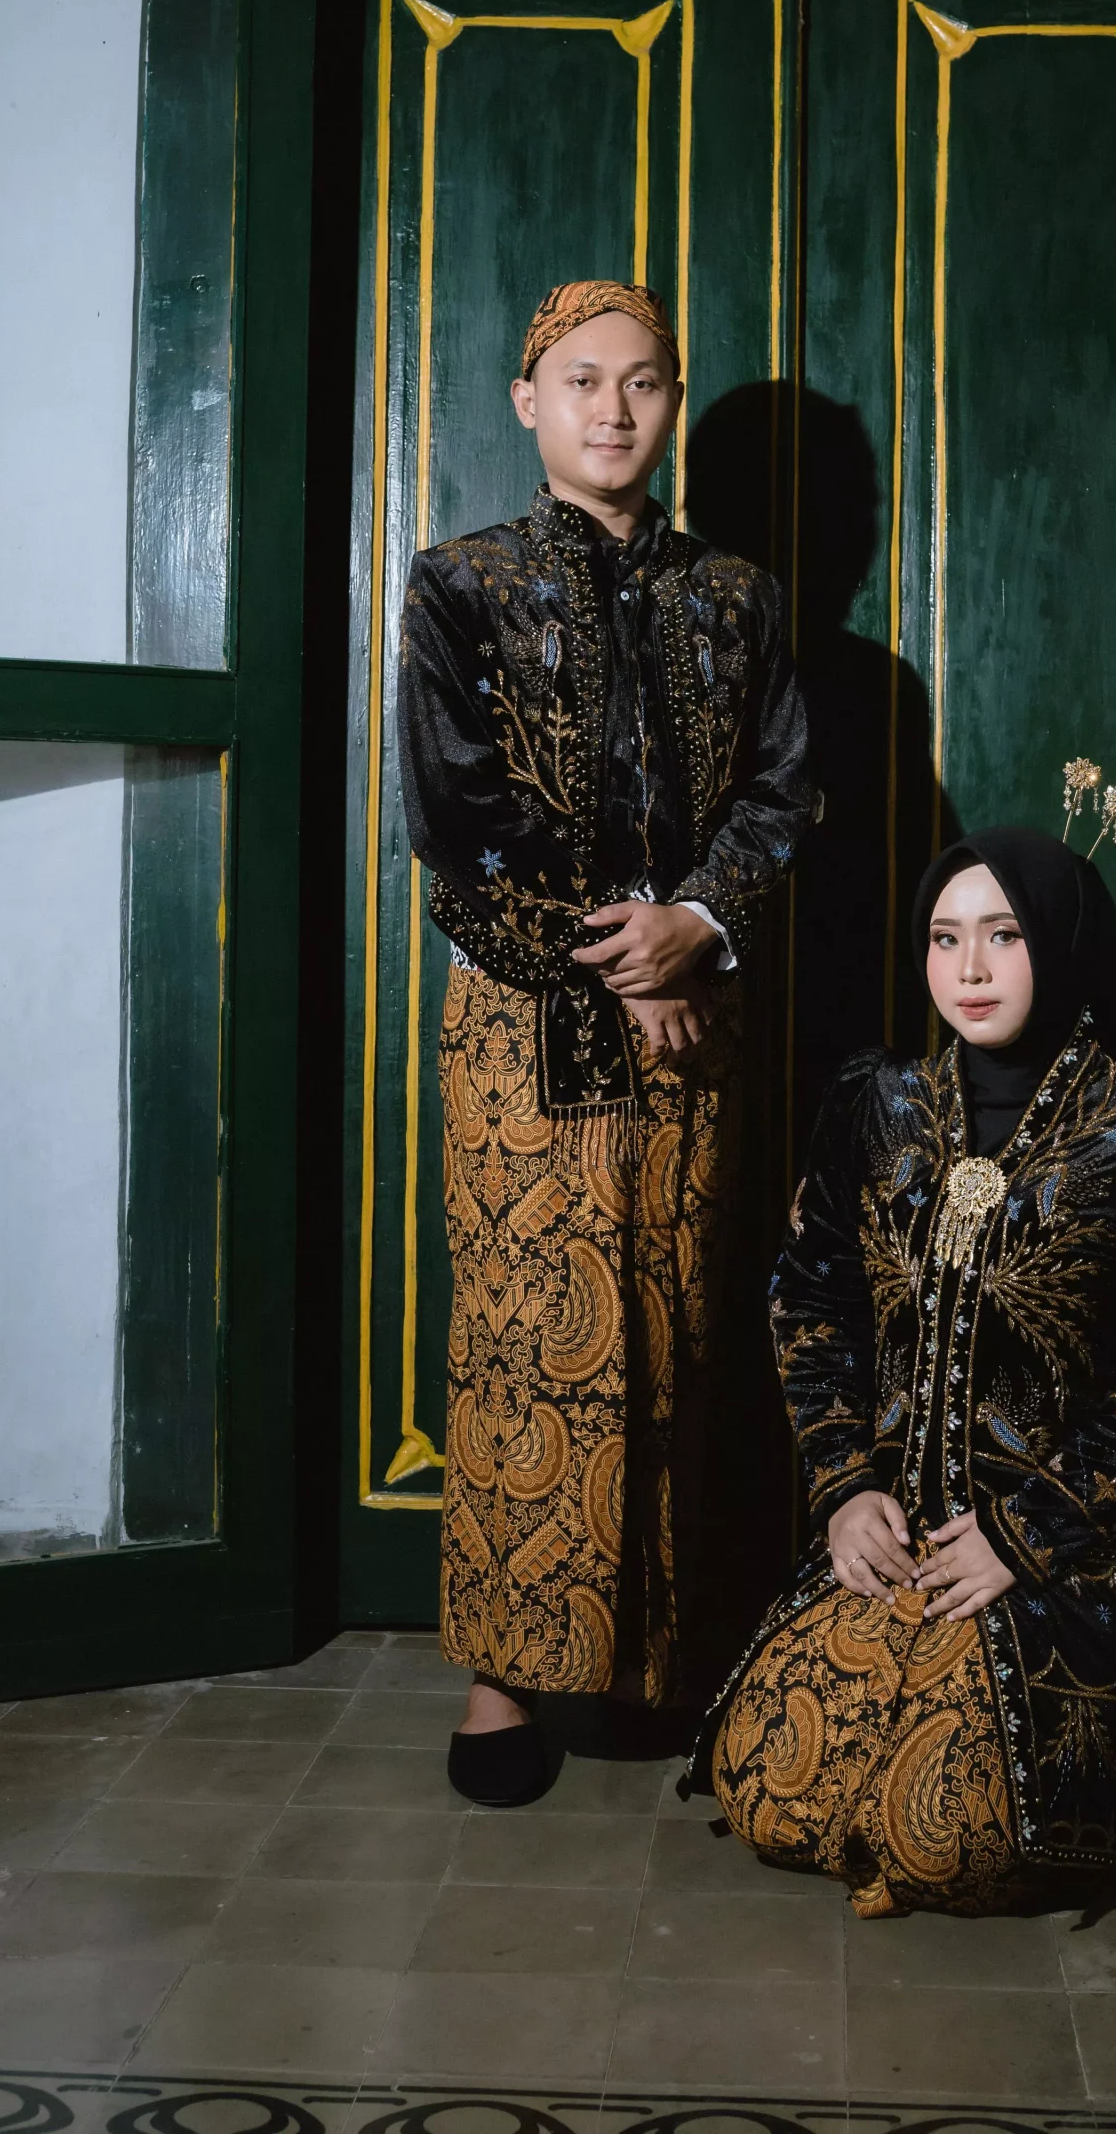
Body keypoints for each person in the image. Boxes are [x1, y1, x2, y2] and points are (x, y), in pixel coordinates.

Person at [397, 279, 814, 1808]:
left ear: (670, 403)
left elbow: (780, 793)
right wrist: (621, 967)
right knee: (525, 1343)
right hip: (525, 1029)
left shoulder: (739, 599)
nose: (613, 409)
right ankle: (502, 1677)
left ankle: (652, 1653)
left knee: (673, 1323)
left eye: (642, 381)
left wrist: (694, 923)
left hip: (693, 1021)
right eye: (581, 379)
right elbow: (457, 819)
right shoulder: (459, 585)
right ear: (529, 400)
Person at [692, 825, 1116, 1914]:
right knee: (772, 1796)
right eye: (945, 939)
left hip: (1064, 1560)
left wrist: (1028, 1534)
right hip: (893, 1537)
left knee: (944, 1839)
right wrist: (844, 1488)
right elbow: (812, 1298)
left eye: (1004, 935)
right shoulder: (879, 1104)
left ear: (1064, 943)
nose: (971, 968)